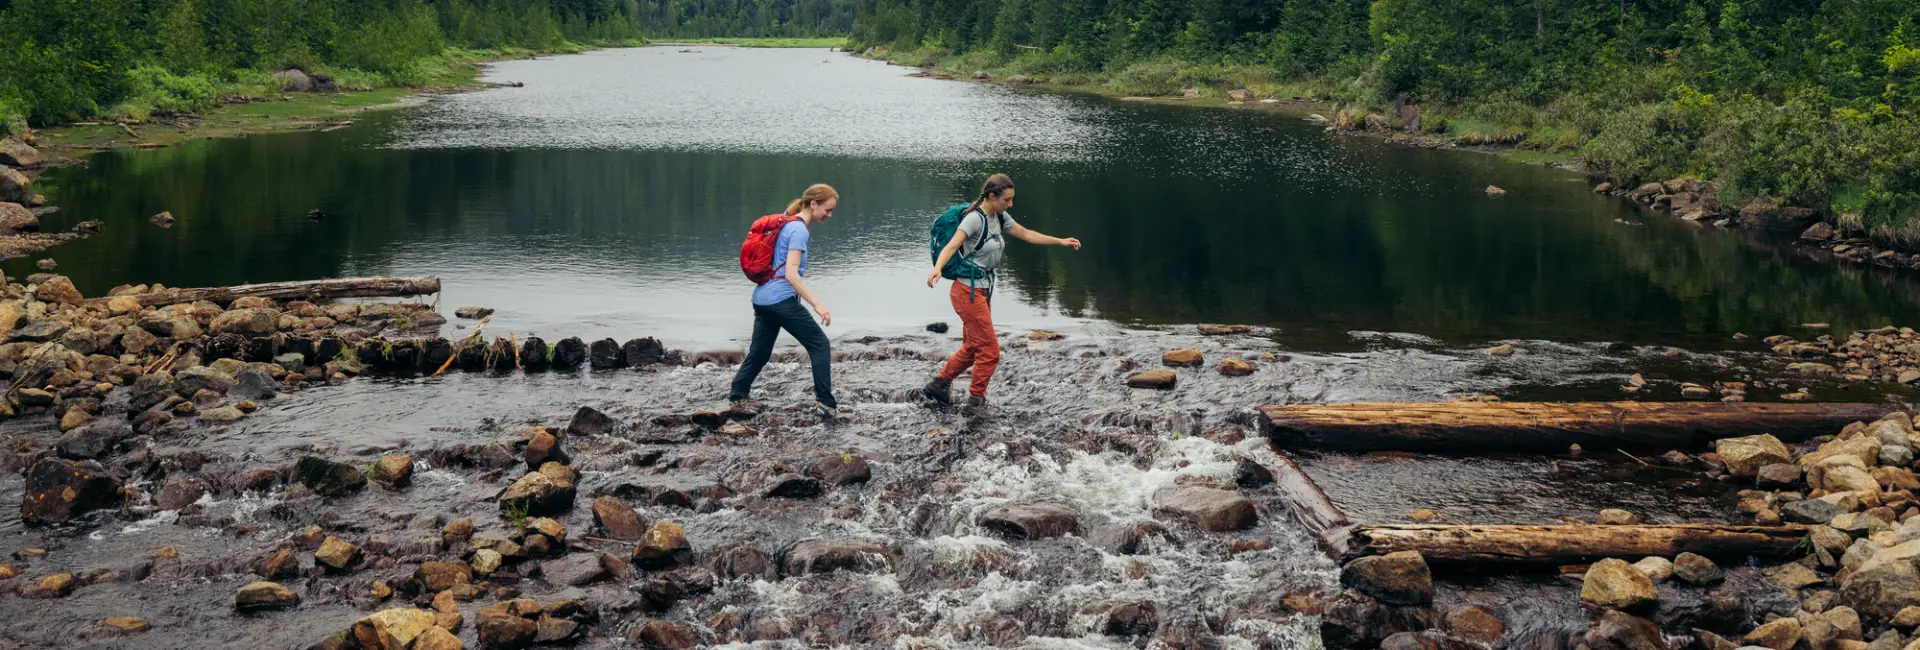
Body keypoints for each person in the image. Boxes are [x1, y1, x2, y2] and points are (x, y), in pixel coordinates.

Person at [922, 174, 1081, 409]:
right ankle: (976, 401)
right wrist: (937, 268)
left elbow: (1026, 234)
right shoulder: (974, 220)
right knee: (990, 349)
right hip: (967, 292)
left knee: (974, 346)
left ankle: (939, 385)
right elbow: (952, 245)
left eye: (1011, 200)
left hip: (982, 291)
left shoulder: (999, 216)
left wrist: (1060, 242)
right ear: (991, 196)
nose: (1010, 204)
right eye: (1007, 200)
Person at [730, 184, 841, 419]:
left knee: (759, 353)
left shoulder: (785, 222)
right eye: (827, 209)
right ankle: (826, 404)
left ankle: (737, 395)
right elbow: (791, 274)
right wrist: (817, 305)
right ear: (813, 204)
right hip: (780, 300)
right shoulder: (799, 230)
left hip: (762, 299)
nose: (829, 215)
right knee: (819, 345)